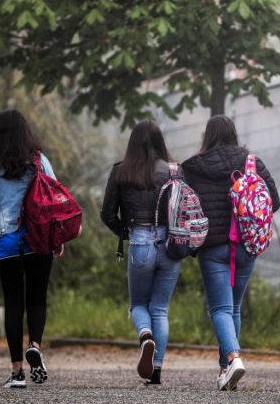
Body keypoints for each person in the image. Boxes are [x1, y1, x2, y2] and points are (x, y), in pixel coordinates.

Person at [182, 115, 280, 391]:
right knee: (233, 307)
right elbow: (274, 200)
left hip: (213, 247)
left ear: (208, 136)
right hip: (246, 245)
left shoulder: (193, 168)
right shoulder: (251, 162)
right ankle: (226, 369)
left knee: (220, 308)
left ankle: (233, 359)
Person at [0, 109, 64, 388]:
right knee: (37, 298)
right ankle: (35, 346)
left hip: (5, 240)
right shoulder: (39, 160)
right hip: (38, 238)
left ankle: (16, 373)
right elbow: (54, 200)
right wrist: (57, 238)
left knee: (13, 302)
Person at [100, 120, 181, 385]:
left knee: (138, 305)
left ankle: (145, 336)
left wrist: (126, 233)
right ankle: (156, 370)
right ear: (160, 142)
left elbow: (107, 213)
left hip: (140, 240)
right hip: (170, 244)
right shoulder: (174, 171)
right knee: (160, 309)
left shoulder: (121, 171)